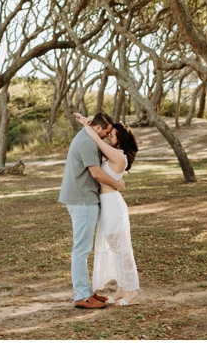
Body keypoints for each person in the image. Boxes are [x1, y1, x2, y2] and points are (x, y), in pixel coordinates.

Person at [57, 111, 122, 309]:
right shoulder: (87, 142)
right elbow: (96, 174)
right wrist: (118, 184)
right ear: (97, 128)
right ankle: (82, 296)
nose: (106, 136)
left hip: (82, 198)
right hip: (83, 200)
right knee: (81, 249)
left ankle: (87, 292)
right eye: (106, 132)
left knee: (83, 248)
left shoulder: (87, 135)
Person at [75, 111, 141, 305]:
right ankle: (122, 287)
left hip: (113, 205)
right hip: (106, 205)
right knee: (115, 247)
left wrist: (88, 126)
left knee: (122, 249)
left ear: (120, 141)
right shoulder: (112, 154)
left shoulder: (119, 156)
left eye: (112, 135)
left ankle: (131, 290)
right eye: (108, 133)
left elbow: (97, 140)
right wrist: (89, 124)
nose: (108, 136)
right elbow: (97, 140)